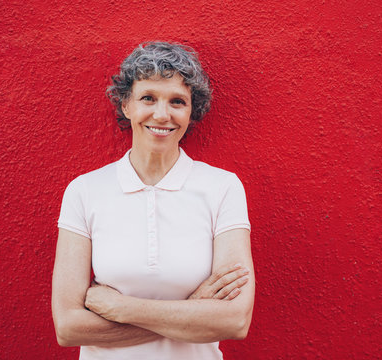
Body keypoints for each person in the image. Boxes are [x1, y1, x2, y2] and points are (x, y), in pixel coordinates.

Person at [51, 41, 255, 359]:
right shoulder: (85, 191)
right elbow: (68, 327)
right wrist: (193, 311)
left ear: (191, 111)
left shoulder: (222, 188)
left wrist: (123, 308)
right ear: (126, 105)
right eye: (148, 98)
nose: (162, 114)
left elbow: (235, 320)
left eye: (177, 101)